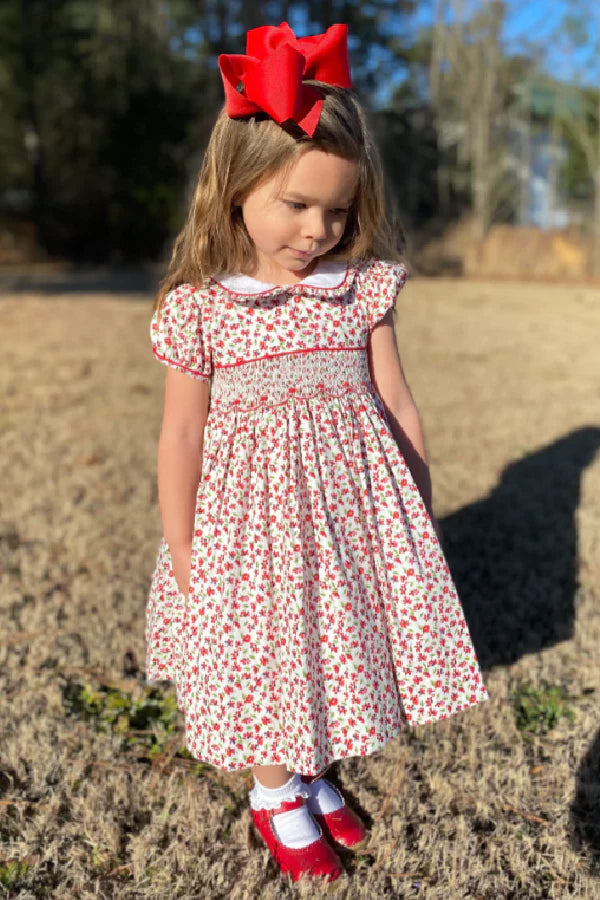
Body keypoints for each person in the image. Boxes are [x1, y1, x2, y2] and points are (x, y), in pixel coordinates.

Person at [146, 21, 488, 884]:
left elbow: (397, 401)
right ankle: (274, 791)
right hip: (247, 531)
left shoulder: (360, 289)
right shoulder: (204, 309)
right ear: (235, 190)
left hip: (348, 515)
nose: (318, 230)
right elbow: (181, 434)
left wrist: (415, 502)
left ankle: (309, 766)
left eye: (336, 210)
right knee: (267, 650)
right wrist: (186, 552)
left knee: (336, 641)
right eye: (295, 205)